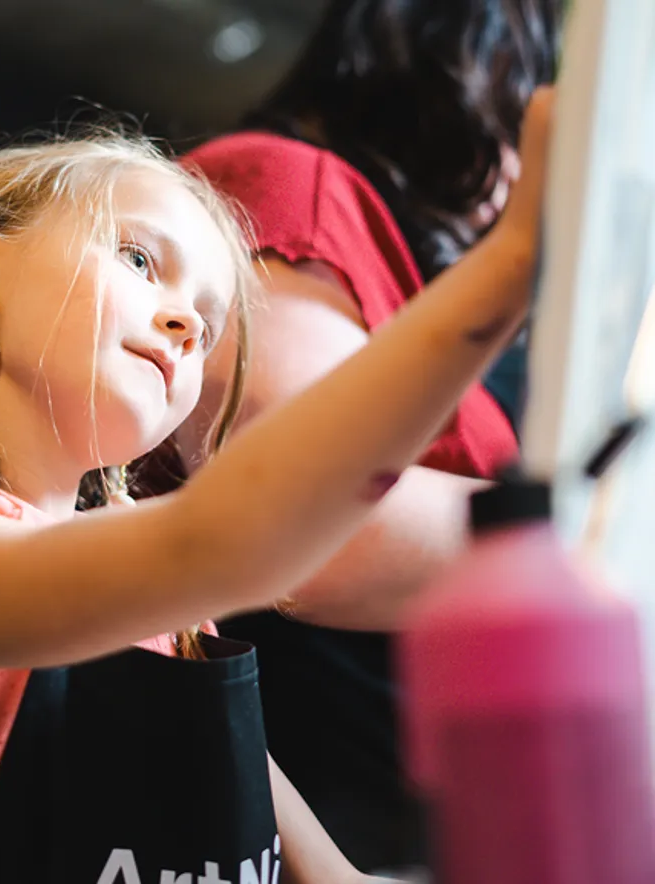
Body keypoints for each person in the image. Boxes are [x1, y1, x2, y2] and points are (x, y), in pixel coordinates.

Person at [0, 94, 550, 884]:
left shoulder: (177, 625)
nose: (187, 327)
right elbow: (225, 539)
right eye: (139, 258)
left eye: (207, 320)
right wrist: (509, 268)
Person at [175, 0, 562, 873]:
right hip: (318, 838)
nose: (516, 170)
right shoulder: (292, 186)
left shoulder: (374, 247)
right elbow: (317, 538)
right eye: (519, 108)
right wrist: (587, 538)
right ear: (467, 76)